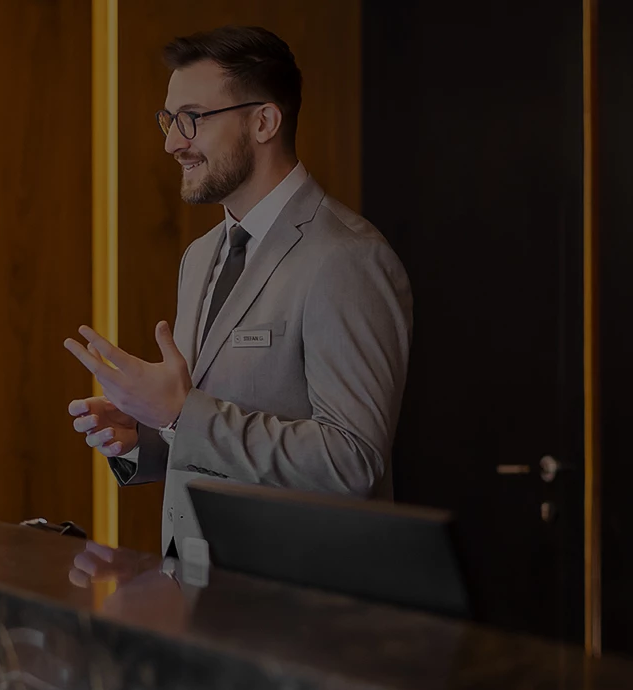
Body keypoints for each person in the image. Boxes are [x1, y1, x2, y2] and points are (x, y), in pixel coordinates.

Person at [64, 26, 413, 557]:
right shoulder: (202, 254)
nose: (172, 143)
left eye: (192, 120)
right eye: (168, 120)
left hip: (295, 608)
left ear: (264, 121)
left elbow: (352, 462)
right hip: (198, 588)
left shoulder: (347, 257)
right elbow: (211, 430)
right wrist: (149, 434)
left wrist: (181, 413)